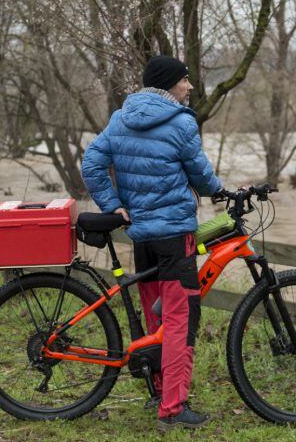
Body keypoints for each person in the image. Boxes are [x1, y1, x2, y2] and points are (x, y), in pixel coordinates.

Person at [80, 55, 223, 430]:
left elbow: (91, 164)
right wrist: (221, 191)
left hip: (141, 235)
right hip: (175, 237)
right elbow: (202, 177)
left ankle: (160, 390)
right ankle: (173, 409)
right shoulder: (180, 122)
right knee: (180, 320)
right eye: (185, 80)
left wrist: (113, 205)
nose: (190, 87)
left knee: (156, 315)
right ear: (168, 85)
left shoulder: (120, 118)